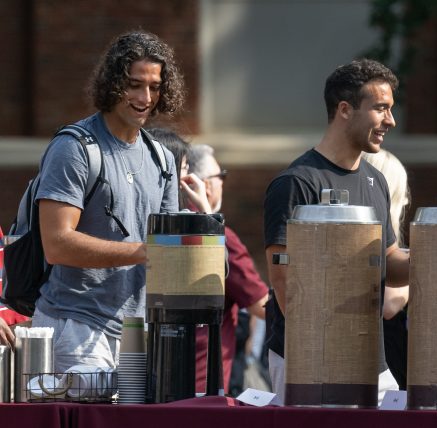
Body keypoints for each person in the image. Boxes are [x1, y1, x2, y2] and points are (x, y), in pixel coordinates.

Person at [31, 30, 185, 372]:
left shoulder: (162, 158)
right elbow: (56, 244)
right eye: (134, 84)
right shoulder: (74, 147)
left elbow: (168, 248)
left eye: (155, 87)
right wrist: (146, 251)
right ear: (113, 84)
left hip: (138, 333)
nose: (145, 97)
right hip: (75, 325)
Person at [264, 59, 410, 405]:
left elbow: (389, 262)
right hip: (311, 363)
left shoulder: (376, 181)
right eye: (381, 109)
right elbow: (283, 280)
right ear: (345, 109)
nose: (390, 120)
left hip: (372, 364)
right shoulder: (296, 182)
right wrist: (322, 354)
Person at [187, 144, 269, 395]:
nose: (223, 183)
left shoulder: (161, 226)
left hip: (154, 377)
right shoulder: (218, 236)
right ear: (206, 184)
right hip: (205, 380)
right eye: (221, 176)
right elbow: (262, 306)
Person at [363, 149, 410, 389]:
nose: (407, 202)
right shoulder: (366, 243)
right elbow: (388, 305)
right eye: (402, 193)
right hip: (379, 374)